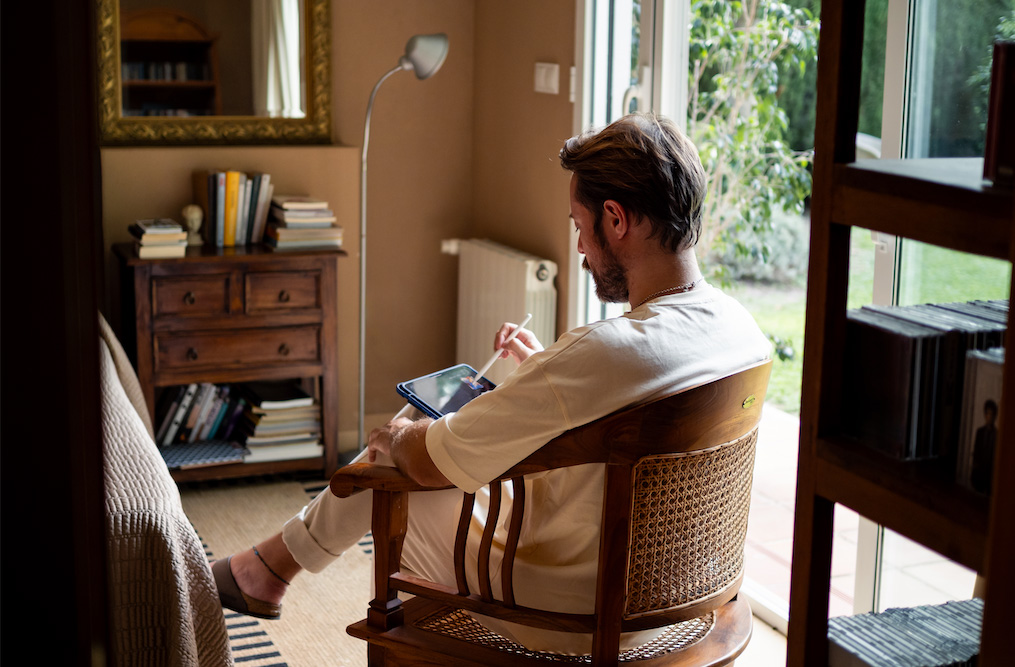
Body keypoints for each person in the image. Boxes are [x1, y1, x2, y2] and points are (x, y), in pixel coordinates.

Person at [211, 112, 771, 654]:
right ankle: (268, 570)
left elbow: (431, 460)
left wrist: (396, 435)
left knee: (387, 463)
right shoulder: (742, 330)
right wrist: (544, 372)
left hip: (578, 611)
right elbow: (614, 393)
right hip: (684, 598)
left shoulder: (604, 351)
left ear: (616, 219)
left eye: (580, 227)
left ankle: (267, 571)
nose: (580, 247)